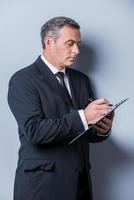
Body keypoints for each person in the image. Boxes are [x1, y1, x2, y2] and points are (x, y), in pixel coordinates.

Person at [8, 16, 114, 200]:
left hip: (80, 185)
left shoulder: (82, 80)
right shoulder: (22, 80)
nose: (77, 50)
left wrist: (101, 128)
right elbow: (35, 132)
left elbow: (84, 132)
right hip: (42, 186)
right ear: (49, 42)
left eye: (78, 44)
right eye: (70, 43)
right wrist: (84, 117)